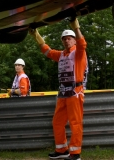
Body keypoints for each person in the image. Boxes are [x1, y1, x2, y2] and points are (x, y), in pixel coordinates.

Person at [29, 17, 88, 160]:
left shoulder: (79, 53)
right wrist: (35, 34)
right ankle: (62, 150)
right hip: (63, 93)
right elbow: (47, 51)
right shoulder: (61, 55)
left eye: (69, 38)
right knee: (57, 122)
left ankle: (75, 154)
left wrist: (76, 27)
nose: (66, 41)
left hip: (75, 92)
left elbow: (82, 43)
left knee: (75, 123)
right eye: (64, 39)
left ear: (74, 40)